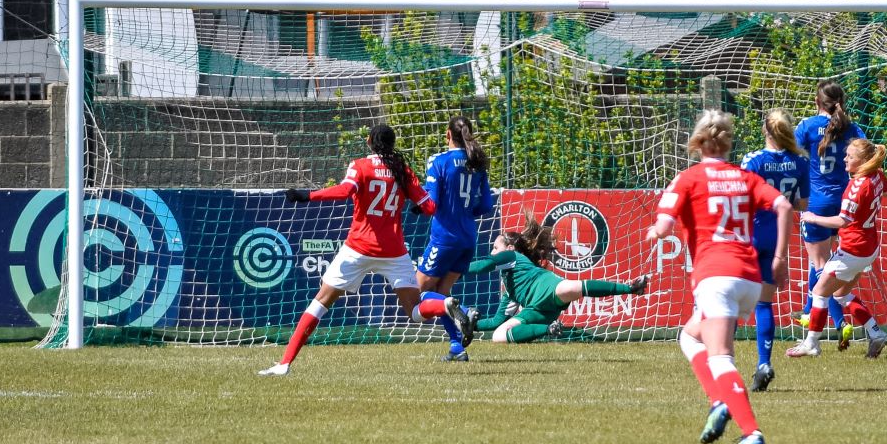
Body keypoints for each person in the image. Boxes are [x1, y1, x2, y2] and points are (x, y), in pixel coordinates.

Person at [259, 123, 472, 376]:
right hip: (394, 250)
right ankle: (444, 304)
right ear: (392, 144)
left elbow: (345, 191)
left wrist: (308, 195)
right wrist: (414, 205)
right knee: (416, 312)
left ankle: (284, 364)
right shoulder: (402, 170)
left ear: (370, 141)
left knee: (320, 303)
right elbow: (429, 207)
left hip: (358, 248)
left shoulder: (360, 165)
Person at [646, 109, 794, 444]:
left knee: (721, 357)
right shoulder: (744, 177)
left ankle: (751, 432)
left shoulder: (687, 179)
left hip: (717, 277)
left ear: (698, 143)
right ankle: (718, 401)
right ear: (728, 143)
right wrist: (780, 258)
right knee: (689, 336)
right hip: (749, 278)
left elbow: (665, 226)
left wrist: (655, 231)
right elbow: (785, 206)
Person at [465, 217, 648, 344]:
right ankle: (550, 329)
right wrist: (470, 325)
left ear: (510, 247)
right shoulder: (510, 288)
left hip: (544, 288)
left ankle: (630, 288)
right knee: (498, 336)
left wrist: (452, 269)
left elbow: (483, 266)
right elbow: (497, 320)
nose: (492, 253)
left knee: (573, 287)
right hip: (539, 312)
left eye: (496, 248)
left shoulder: (512, 256)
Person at [787, 138, 887, 359]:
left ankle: (811, 343)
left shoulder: (857, 186)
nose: (845, 159)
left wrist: (814, 218)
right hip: (869, 248)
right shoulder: (878, 176)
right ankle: (875, 333)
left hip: (853, 249)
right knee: (840, 294)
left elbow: (842, 221)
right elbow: (886, 191)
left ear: (862, 160)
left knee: (819, 292)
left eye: (850, 156)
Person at [792, 80, 865, 351]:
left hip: (817, 202)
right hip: (846, 201)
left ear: (816, 102)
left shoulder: (807, 126)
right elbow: (868, 156)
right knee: (826, 265)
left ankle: (836, 321)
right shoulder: (853, 128)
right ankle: (809, 311)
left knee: (821, 264)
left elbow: (793, 158)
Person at [416, 115, 495, 362]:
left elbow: (432, 201)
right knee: (443, 293)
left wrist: (417, 204)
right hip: (468, 237)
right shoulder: (477, 163)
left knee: (417, 292)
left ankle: (466, 312)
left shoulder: (438, 161)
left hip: (444, 238)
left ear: (448, 134)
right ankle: (456, 348)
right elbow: (485, 206)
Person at [740, 109, 809, 392]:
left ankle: (722, 367)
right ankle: (763, 363)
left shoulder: (753, 160)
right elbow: (803, 205)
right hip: (778, 236)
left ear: (765, 131)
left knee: (732, 303)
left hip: (751, 234)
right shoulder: (800, 162)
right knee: (764, 304)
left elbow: (741, 199)